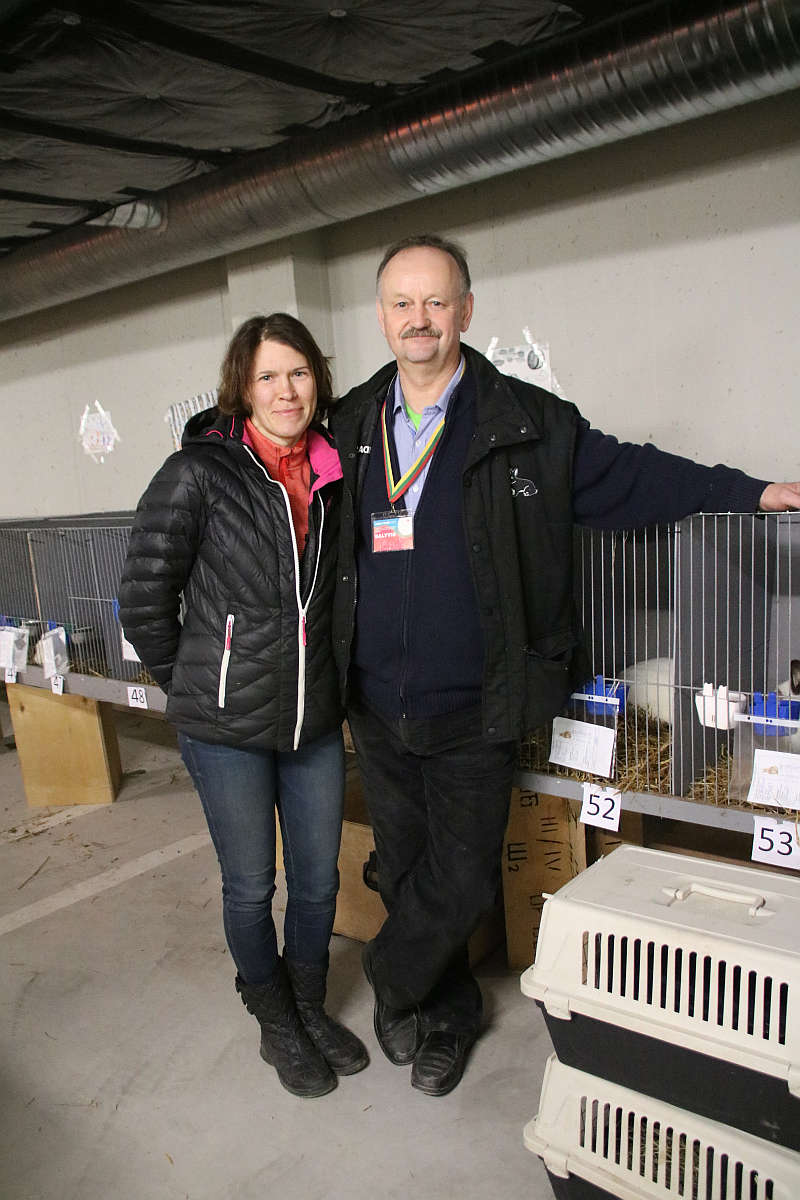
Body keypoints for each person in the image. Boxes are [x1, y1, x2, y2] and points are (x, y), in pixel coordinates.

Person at [328, 233, 800, 1098]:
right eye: (402, 303)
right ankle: (443, 1010)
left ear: (466, 311)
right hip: (376, 699)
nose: (419, 319)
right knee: (403, 865)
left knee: (462, 876)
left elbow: (634, 476)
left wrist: (752, 491)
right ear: (383, 317)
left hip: (476, 700)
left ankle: (391, 978)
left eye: (436, 301)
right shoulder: (351, 423)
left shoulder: (530, 423)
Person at [118, 313, 367, 1099]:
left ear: (317, 380)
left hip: (312, 721)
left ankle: (308, 1003)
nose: (286, 391)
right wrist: (196, 684)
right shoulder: (198, 473)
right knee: (251, 886)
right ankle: (275, 1019)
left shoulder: (336, 473)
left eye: (298, 373)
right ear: (242, 387)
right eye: (267, 376)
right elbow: (143, 597)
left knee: (319, 882)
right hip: (225, 727)